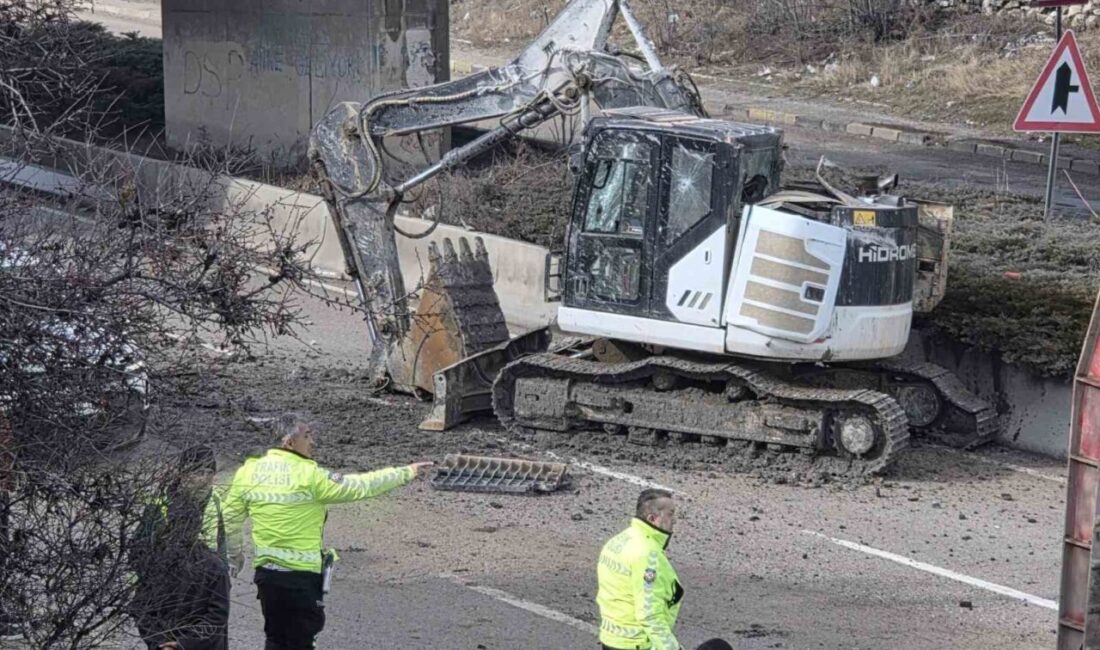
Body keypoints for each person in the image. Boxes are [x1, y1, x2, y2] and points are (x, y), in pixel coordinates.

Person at [221, 413, 433, 650]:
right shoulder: (310, 476)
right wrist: (406, 472)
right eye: (307, 436)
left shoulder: (248, 473)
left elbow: (228, 519)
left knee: (276, 638)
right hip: (301, 577)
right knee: (301, 642)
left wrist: (232, 559)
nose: (313, 442)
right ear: (289, 442)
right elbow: (360, 486)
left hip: (267, 576)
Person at [596, 489, 730, 650]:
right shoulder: (647, 556)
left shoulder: (618, 541)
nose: (675, 520)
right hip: (638, 644)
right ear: (652, 519)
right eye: (670, 514)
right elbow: (649, 615)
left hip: (612, 638)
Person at [132, 447, 230, 650]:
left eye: (208, 473)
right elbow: (138, 555)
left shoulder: (215, 501)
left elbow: (221, 546)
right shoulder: (160, 506)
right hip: (169, 599)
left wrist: (222, 578)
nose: (204, 480)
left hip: (207, 595)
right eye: (197, 472)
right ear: (183, 474)